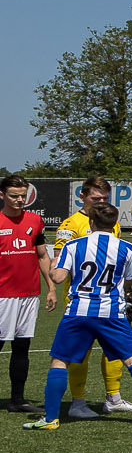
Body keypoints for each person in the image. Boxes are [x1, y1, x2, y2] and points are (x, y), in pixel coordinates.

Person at [25, 201, 132, 429]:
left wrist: (54, 263)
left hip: (79, 311)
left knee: (60, 361)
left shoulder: (74, 246)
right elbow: (128, 283)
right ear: (115, 223)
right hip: (112, 313)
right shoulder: (127, 248)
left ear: (91, 222)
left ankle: (51, 419)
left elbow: (58, 278)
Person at [54, 176, 132, 417]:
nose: (100, 202)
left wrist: (127, 294)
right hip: (81, 299)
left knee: (115, 348)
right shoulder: (70, 224)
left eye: (104, 198)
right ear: (82, 196)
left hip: (111, 299)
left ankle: (113, 398)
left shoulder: (111, 221)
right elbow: (59, 260)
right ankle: (78, 402)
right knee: (81, 351)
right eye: (95, 198)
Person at [1, 175, 56, 414]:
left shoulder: (35, 220)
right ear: (2, 195)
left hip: (29, 294)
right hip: (2, 295)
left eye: (23, 195)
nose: (19, 200)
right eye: (14, 195)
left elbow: (42, 255)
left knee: (22, 345)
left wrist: (51, 287)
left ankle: (17, 400)